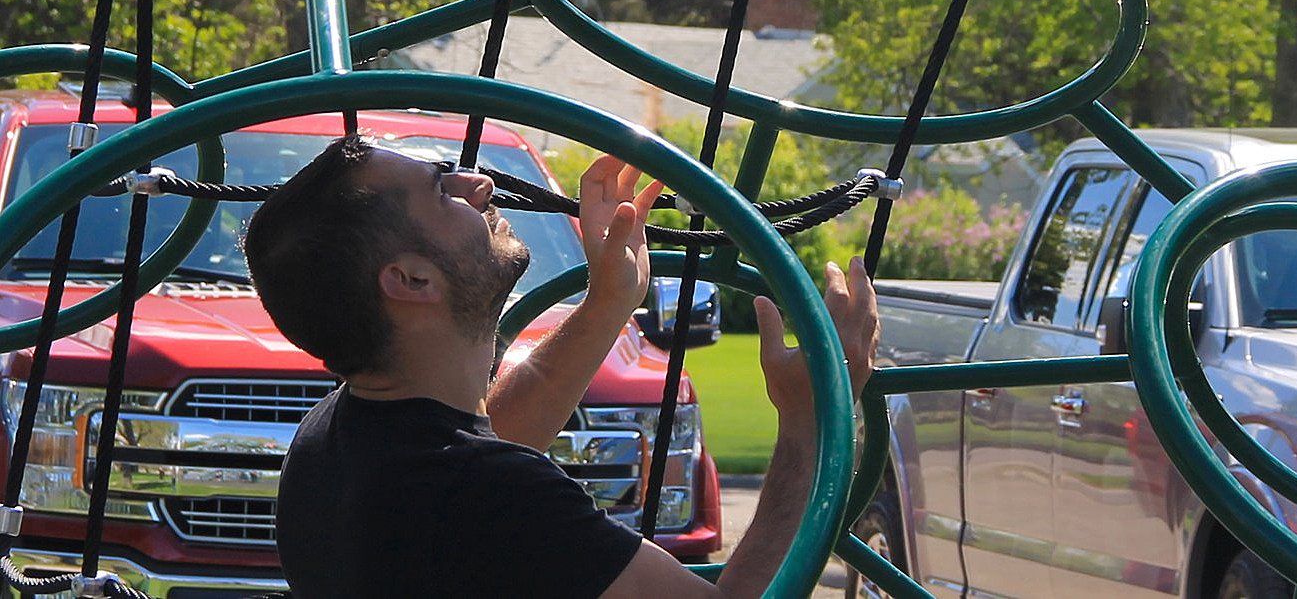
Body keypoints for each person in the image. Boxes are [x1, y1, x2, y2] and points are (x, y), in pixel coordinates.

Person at [241, 135, 878, 599]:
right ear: (410, 278)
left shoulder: (334, 441)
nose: (478, 184)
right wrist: (812, 422)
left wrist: (609, 303)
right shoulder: (495, 496)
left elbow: (489, 445)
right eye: (442, 189)